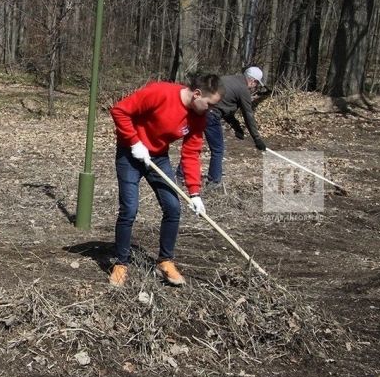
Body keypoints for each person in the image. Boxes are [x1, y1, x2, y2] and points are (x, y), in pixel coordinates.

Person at [109, 74, 224, 287]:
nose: (209, 110)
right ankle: (121, 263)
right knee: (129, 209)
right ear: (197, 94)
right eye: (209, 105)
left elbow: (191, 154)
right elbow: (119, 110)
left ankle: (165, 261)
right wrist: (134, 142)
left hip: (158, 157)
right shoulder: (160, 92)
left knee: (173, 208)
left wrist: (195, 192)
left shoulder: (198, 117)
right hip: (130, 153)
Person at [179, 66, 267, 189]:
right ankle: (214, 181)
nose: (255, 87)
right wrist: (257, 139)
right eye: (256, 84)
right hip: (210, 115)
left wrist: (237, 127)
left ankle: (180, 175)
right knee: (218, 149)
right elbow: (248, 114)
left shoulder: (229, 80)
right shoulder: (243, 90)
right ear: (252, 81)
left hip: (199, 110)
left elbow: (224, 106)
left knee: (192, 145)